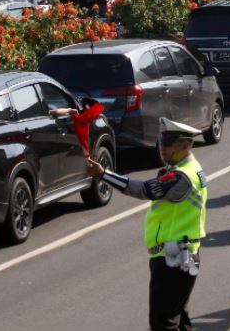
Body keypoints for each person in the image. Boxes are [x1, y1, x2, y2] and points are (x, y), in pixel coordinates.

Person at [85, 118, 208, 331]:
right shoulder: (189, 168)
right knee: (179, 320)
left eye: (169, 144)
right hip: (183, 255)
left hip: (174, 258)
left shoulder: (182, 177)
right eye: (162, 142)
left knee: (163, 323)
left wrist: (104, 174)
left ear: (186, 145)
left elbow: (142, 189)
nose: (163, 148)